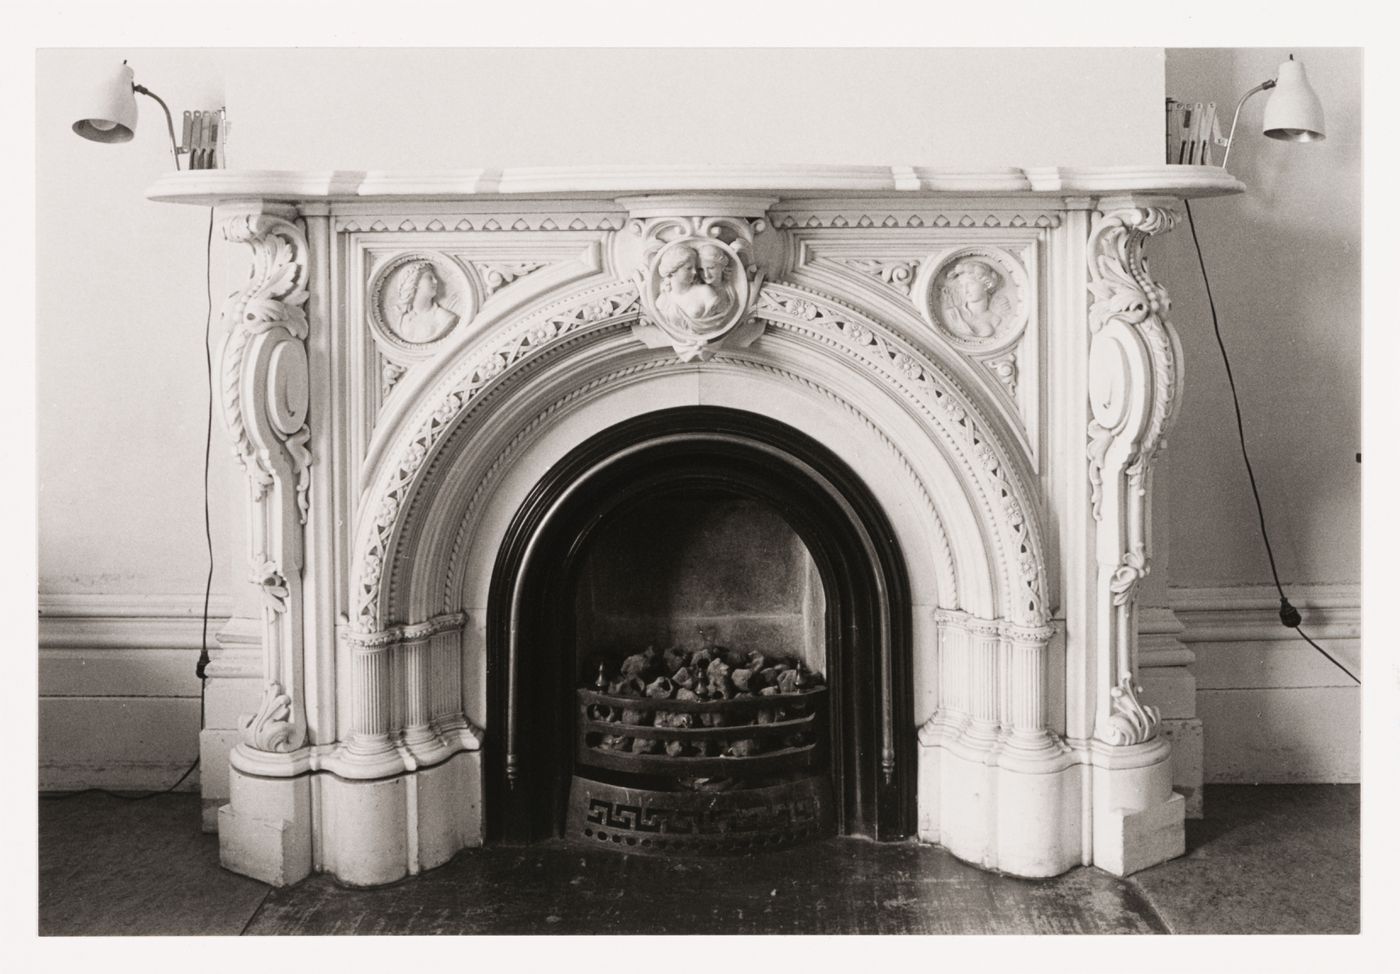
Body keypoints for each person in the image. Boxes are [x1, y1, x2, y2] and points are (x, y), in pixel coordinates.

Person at [941, 258, 1010, 339]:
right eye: (962, 286)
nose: (965, 290)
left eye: (970, 284)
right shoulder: (953, 314)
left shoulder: (995, 319)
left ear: (987, 284)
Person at [394, 261, 459, 343]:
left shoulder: (444, 317)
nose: (436, 281)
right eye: (430, 278)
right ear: (415, 283)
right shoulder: (402, 319)